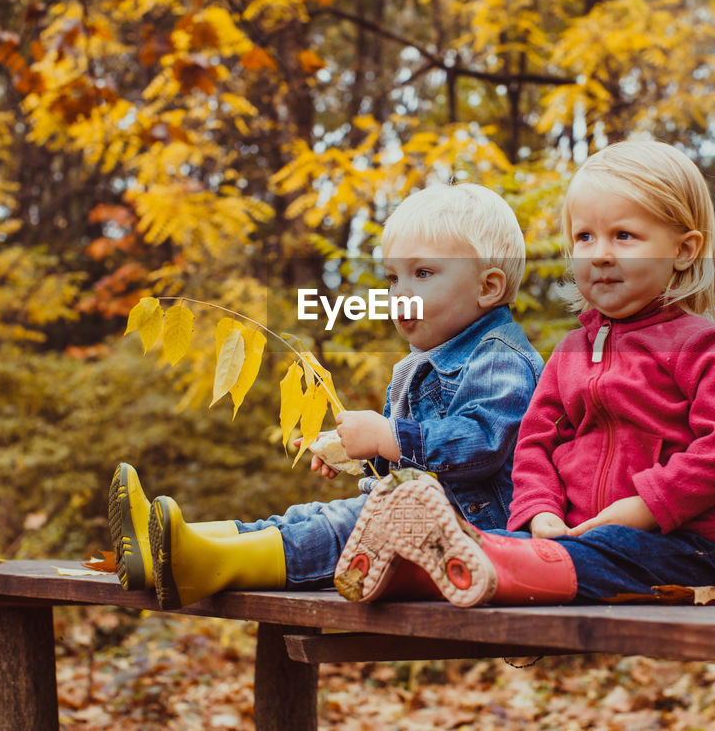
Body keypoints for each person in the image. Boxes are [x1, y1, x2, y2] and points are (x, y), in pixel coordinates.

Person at [334, 140, 715, 607]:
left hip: (687, 546)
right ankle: (425, 567)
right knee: (527, 544)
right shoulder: (570, 352)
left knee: (599, 551)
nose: (599, 254)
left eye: (623, 236)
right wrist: (539, 512)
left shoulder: (702, 345)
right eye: (584, 237)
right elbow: (534, 447)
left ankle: (448, 565)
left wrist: (645, 506)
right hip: (570, 538)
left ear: (683, 250)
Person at [109, 182, 544, 610]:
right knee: (306, 516)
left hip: (471, 536)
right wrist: (357, 454)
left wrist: (385, 435)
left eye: (423, 273)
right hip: (412, 517)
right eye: (393, 278)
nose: (399, 294)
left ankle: (207, 563)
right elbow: (407, 460)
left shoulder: (500, 358)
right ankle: (172, 543)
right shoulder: (415, 364)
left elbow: (479, 444)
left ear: (487, 287)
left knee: (342, 528)